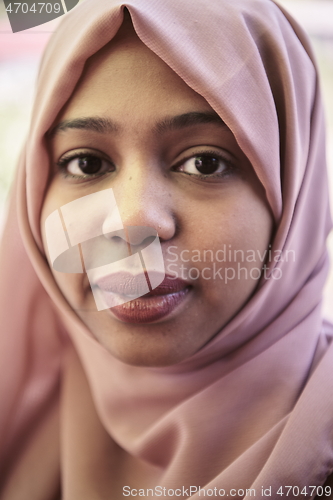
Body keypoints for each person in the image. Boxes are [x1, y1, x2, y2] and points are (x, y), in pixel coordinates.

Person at [0, 0, 333, 498]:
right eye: (87, 164)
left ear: (294, 194)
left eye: (204, 163)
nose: (134, 220)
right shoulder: (17, 405)